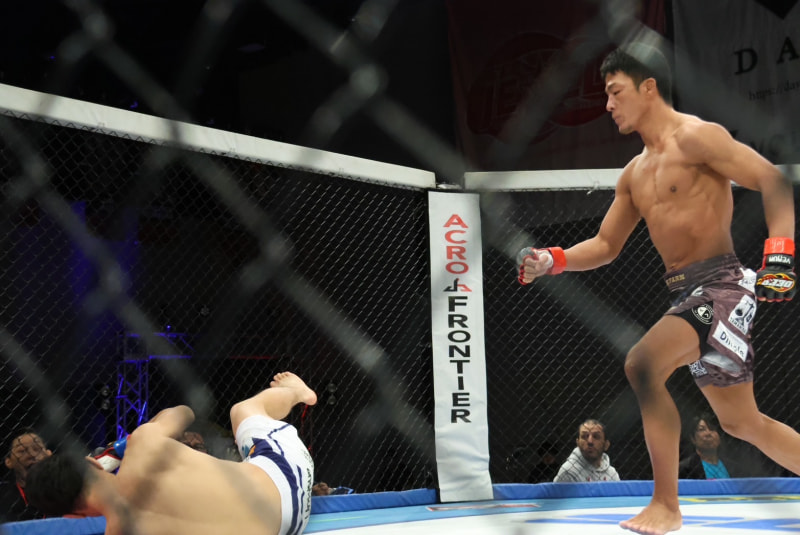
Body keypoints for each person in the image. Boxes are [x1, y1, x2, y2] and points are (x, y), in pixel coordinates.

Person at [518, 43, 799, 535]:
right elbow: (606, 244)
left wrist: (780, 254)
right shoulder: (635, 173)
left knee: (643, 363)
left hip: (722, 286)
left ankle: (666, 504)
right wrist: (553, 259)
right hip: (686, 295)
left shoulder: (697, 138)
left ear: (648, 87)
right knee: (741, 423)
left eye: (615, 92)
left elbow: (772, 179)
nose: (608, 105)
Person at [25, 371, 318, 535]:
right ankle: (297, 392)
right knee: (243, 410)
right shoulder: (144, 448)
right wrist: (137, 437)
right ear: (93, 464)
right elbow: (184, 412)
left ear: (74, 514)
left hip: (285, 529)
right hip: (289, 483)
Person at [1, 428, 52, 522]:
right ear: (9, 462)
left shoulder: (67, 491)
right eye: (22, 451)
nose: (31, 455)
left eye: (37, 449)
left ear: (49, 454)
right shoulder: (2, 495)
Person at [679, 412, 742, 479]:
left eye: (712, 429)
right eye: (701, 429)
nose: (708, 433)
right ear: (693, 439)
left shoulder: (734, 467)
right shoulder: (685, 468)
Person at [553, 419, 620, 482]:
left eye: (596, 436)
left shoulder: (612, 473)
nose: (590, 441)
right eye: (584, 436)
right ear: (578, 443)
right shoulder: (569, 471)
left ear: (606, 445)